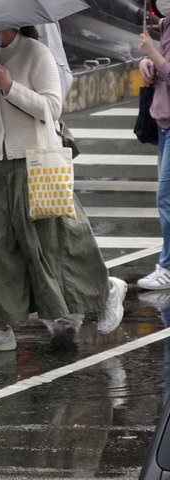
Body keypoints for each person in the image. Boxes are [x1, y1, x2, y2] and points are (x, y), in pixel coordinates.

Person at [0, 27, 127, 354]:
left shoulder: (37, 54)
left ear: (11, 22)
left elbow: (52, 108)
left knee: (56, 247)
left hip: (35, 164)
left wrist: (11, 88)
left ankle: (106, 289)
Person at [139, 1, 170, 290]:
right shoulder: (165, 25)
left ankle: (168, 266)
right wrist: (147, 62)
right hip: (164, 123)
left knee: (166, 199)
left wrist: (152, 55)